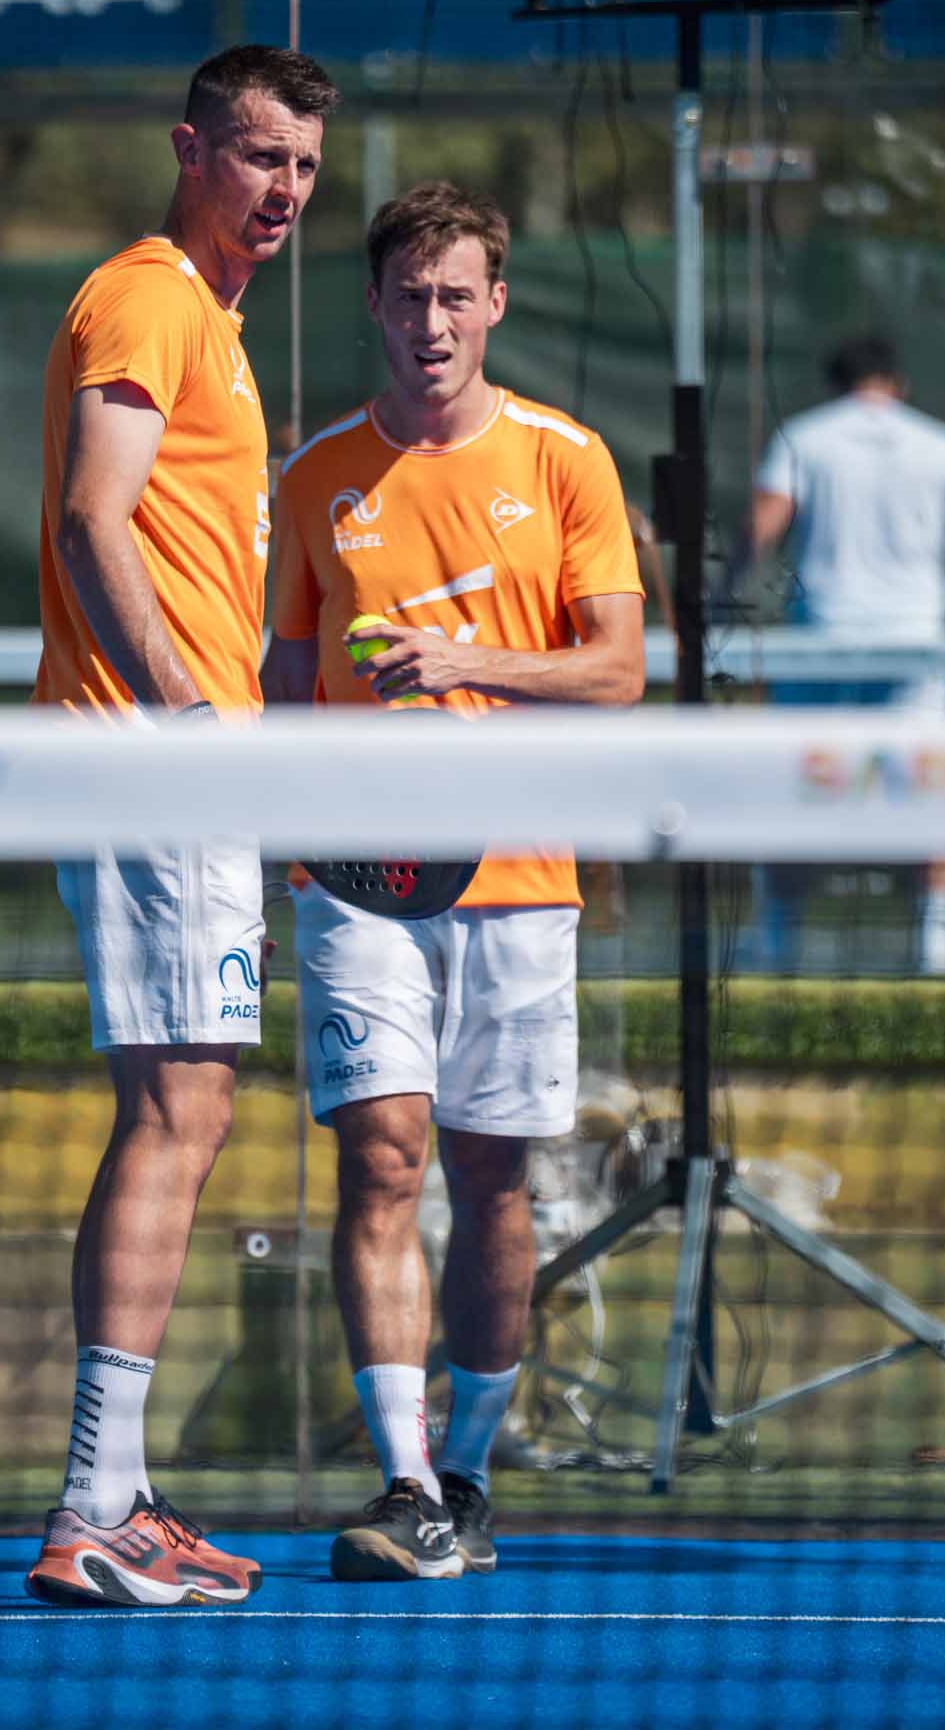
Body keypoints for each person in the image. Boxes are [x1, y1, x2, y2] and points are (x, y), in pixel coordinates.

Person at [263, 180, 645, 1581]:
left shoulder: (567, 460)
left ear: (495, 304)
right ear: (373, 303)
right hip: (357, 878)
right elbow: (284, 685)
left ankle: (469, 1476)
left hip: (523, 877)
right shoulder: (316, 474)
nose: (432, 321)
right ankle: (406, 1480)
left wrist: (466, 661)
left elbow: (617, 670)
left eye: (456, 295)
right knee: (381, 1158)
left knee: (492, 1180)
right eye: (409, 295)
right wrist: (273, 836)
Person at [25, 45, 338, 1610]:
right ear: (191, 150)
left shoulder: (212, 323)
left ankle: (118, 1499)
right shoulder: (147, 297)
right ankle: (92, 1510)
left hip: (186, 769)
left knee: (189, 1109)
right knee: (176, 1110)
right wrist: (187, 723)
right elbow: (94, 518)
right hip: (150, 767)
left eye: (305, 166)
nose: (284, 189)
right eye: (261, 156)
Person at [731, 332, 945, 975]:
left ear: (835, 383)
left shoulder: (805, 438)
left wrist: (721, 597)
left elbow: (759, 528)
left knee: (791, 789)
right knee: (932, 791)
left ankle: (777, 940)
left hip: (820, 646)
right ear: (899, 384)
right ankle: (936, 947)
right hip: (914, 649)